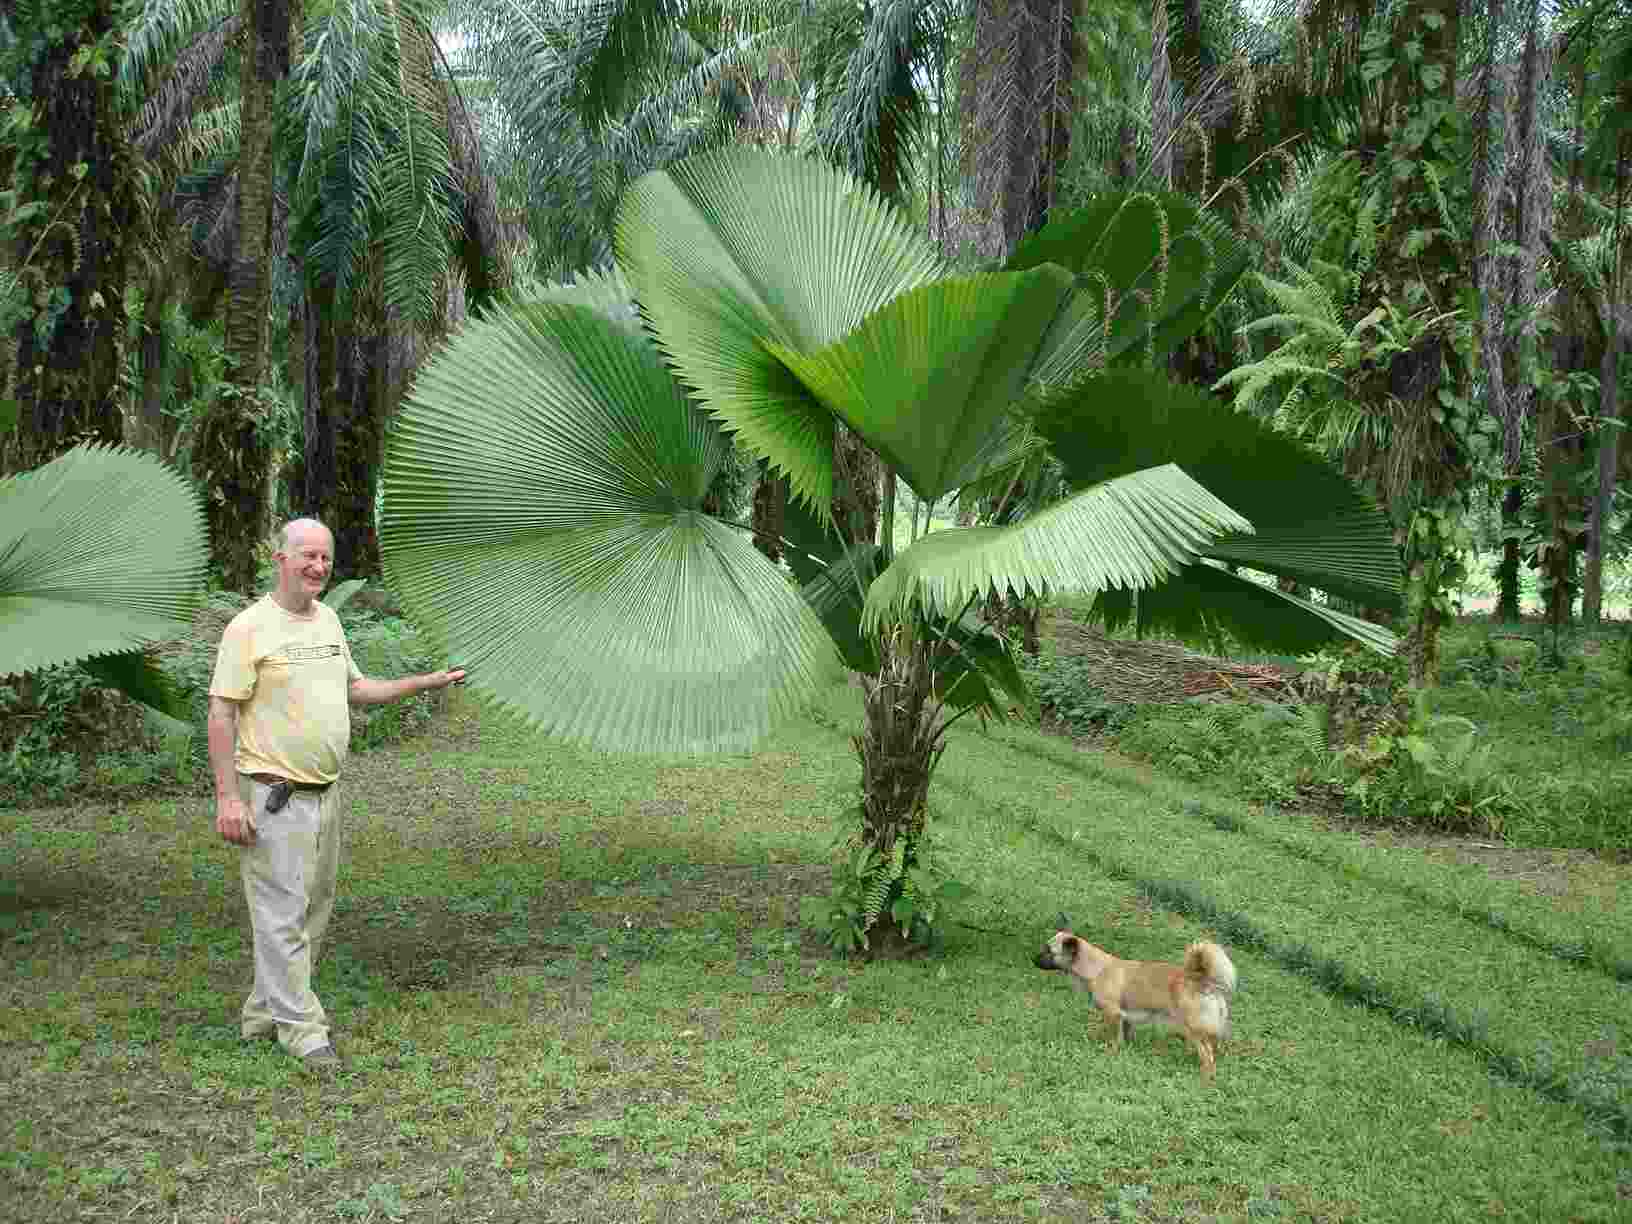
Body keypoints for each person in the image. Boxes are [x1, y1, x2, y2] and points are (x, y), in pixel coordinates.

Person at [207, 518, 465, 1074]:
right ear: (279, 559)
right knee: (281, 914)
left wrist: (424, 682)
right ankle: (302, 1030)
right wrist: (229, 799)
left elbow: (354, 689)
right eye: (307, 556)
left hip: (326, 793)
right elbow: (222, 712)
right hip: (272, 795)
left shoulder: (327, 620)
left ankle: (263, 1013)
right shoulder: (249, 628)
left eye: (325, 557)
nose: (318, 567)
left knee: (312, 910)